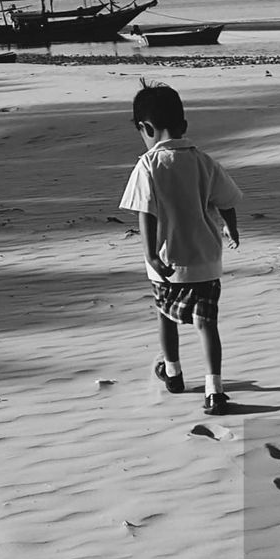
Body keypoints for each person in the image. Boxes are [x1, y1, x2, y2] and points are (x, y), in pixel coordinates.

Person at [119, 82, 242, 416]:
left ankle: (173, 373)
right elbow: (227, 200)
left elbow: (146, 212)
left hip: (167, 262)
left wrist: (150, 255)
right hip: (205, 259)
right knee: (207, 324)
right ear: (183, 126)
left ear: (145, 128)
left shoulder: (148, 165)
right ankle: (214, 390)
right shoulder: (204, 161)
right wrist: (231, 227)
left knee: (165, 316)